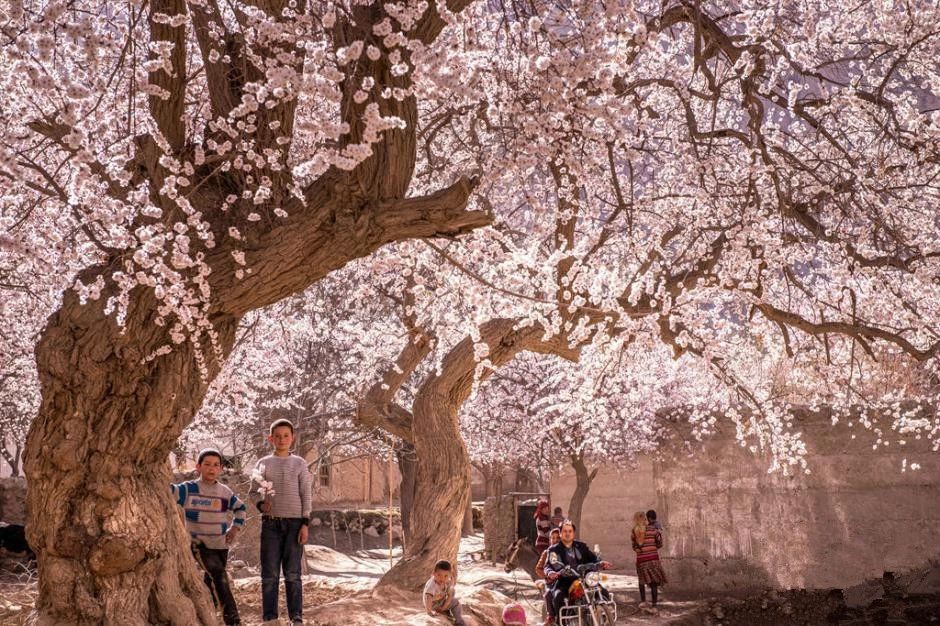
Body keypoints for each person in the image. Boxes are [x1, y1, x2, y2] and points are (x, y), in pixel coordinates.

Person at [172, 448, 246, 626]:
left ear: (220, 468)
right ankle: (233, 620)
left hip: (220, 544)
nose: (211, 469)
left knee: (211, 580)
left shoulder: (224, 492)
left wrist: (235, 528)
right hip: (199, 543)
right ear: (198, 467)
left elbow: (241, 508)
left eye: (215, 465)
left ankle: (209, 617)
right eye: (206, 465)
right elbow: (167, 491)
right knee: (219, 577)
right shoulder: (189, 489)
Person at [250, 419, 313, 626]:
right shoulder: (263, 463)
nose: (282, 439)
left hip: (295, 523)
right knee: (269, 573)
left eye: (286, 435)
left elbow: (306, 493)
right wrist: (260, 505)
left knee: (293, 573)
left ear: (292, 437)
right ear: (270, 438)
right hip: (271, 524)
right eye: (277, 436)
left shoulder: (300, 463)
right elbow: (253, 492)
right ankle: (270, 618)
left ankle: (296, 617)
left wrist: (305, 523)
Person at [543, 520, 611, 625]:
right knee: (558, 597)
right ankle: (561, 622)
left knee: (603, 591)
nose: (567, 533)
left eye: (570, 531)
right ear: (560, 534)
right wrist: (551, 572)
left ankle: (604, 616)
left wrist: (601, 563)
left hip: (584, 578)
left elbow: (593, 558)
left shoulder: (581, 546)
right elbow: (548, 565)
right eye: (565, 531)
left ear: (573, 533)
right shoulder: (554, 549)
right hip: (564, 581)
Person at [632, 510, 667, 609]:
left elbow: (634, 546)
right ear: (645, 519)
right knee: (654, 582)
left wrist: (641, 550)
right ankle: (654, 605)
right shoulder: (654, 530)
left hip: (641, 560)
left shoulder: (634, 531)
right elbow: (660, 543)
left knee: (642, 580)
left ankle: (643, 601)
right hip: (653, 559)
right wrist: (652, 548)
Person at [423, 559, 467, 625]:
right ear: (434, 574)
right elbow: (428, 598)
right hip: (432, 604)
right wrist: (429, 612)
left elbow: (450, 595)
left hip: (441, 601)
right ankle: (457, 619)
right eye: (439, 575)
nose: (442, 578)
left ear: (449, 575)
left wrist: (443, 607)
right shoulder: (432, 584)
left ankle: (458, 620)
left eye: (445, 576)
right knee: (454, 601)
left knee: (454, 597)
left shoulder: (448, 581)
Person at [535, 528, 562, 621]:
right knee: (548, 595)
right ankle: (551, 617)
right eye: (553, 538)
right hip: (552, 582)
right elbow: (538, 569)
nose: (555, 540)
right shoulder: (546, 553)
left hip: (566, 581)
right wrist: (548, 576)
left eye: (558, 538)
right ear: (550, 540)